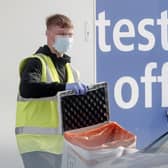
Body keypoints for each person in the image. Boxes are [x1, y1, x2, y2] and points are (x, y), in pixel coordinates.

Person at [15, 14, 88, 168]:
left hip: (61, 145)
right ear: (48, 34)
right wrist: (64, 87)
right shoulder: (36, 62)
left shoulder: (71, 70)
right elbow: (27, 89)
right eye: (61, 34)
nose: (66, 39)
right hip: (36, 143)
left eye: (70, 35)